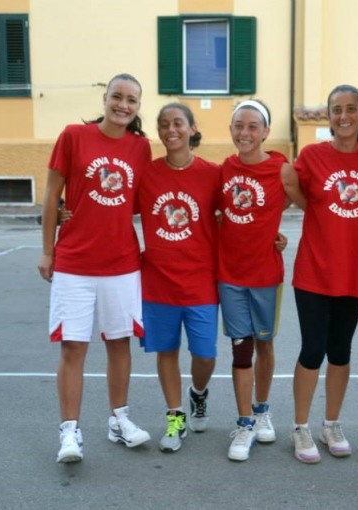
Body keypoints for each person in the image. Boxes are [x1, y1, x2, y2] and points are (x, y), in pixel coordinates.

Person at [38, 73, 151, 463]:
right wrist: (48, 251)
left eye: (131, 100)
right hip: (74, 262)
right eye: (117, 97)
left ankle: (119, 419)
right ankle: (70, 431)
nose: (123, 105)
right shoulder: (74, 136)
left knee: (119, 343)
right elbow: (53, 192)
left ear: (138, 107)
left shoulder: (141, 148)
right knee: (73, 346)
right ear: (104, 99)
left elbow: (140, 201)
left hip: (121, 263)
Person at [281, 85, 358, 464]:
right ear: (328, 116)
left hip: (355, 272)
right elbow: (286, 182)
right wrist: (309, 209)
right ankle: (300, 426)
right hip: (315, 272)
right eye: (337, 110)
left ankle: (331, 423)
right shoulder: (313, 156)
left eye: (351, 109)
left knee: (341, 351)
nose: (343, 116)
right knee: (312, 350)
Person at [136, 103, 221, 453]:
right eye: (163, 124)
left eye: (178, 123)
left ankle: (198, 394)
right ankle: (175, 416)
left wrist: (271, 238)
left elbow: (240, 214)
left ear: (191, 128)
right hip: (158, 281)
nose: (171, 130)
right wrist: (68, 210)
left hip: (201, 280)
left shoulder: (212, 173)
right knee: (166, 352)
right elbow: (110, 206)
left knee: (205, 355)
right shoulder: (146, 174)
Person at [218, 99, 290, 461]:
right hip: (230, 275)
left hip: (266, 276)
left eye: (252, 127)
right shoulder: (224, 170)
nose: (244, 133)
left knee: (265, 344)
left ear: (264, 131)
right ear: (231, 130)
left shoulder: (281, 168)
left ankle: (262, 409)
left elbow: (305, 201)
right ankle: (244, 422)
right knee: (240, 348)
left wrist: (277, 233)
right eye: (238, 126)